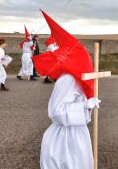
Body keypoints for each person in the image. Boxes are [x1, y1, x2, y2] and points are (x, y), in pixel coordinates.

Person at [33, 10, 100, 169]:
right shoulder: (67, 80)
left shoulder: (76, 78)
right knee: (70, 163)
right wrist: (84, 106)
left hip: (77, 132)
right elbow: (56, 111)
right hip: (65, 137)